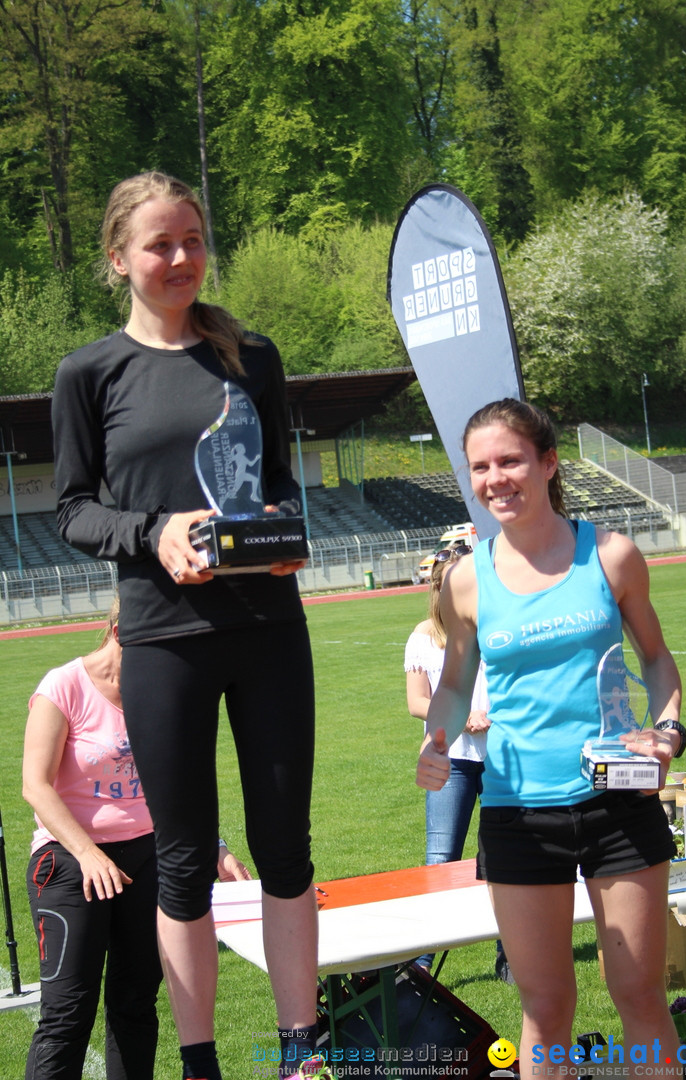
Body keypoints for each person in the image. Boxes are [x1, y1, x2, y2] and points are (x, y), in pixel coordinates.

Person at [51, 171, 318, 1080]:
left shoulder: (254, 354)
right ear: (118, 258)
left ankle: (301, 1052)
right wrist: (151, 532)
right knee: (182, 861)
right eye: (160, 244)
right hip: (162, 640)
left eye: (193, 239)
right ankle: (200, 1062)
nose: (180, 259)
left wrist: (285, 536)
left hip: (268, 626)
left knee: (285, 849)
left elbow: (279, 481)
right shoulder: (88, 373)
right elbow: (74, 510)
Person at [417, 399, 686, 1080]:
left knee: (640, 998)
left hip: (616, 802)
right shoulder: (465, 580)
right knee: (545, 1006)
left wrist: (668, 729)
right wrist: (436, 738)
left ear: (547, 462)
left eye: (510, 460)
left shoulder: (612, 555)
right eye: (480, 467)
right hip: (517, 813)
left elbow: (655, 658)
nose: (495, 478)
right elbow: (453, 683)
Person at [22, 600, 250, 1080]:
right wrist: (87, 853)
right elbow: (35, 785)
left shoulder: (160, 692)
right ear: (121, 631)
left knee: (135, 1005)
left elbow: (180, 785)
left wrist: (216, 846)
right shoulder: (63, 686)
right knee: (68, 1014)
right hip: (68, 861)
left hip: (149, 858)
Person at [405, 545, 489, 970]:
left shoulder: (492, 624)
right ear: (437, 589)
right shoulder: (423, 636)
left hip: (500, 757)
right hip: (450, 757)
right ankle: (422, 963)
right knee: (440, 860)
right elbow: (416, 702)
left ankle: (511, 958)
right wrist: (464, 716)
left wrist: (494, 715)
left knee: (503, 859)